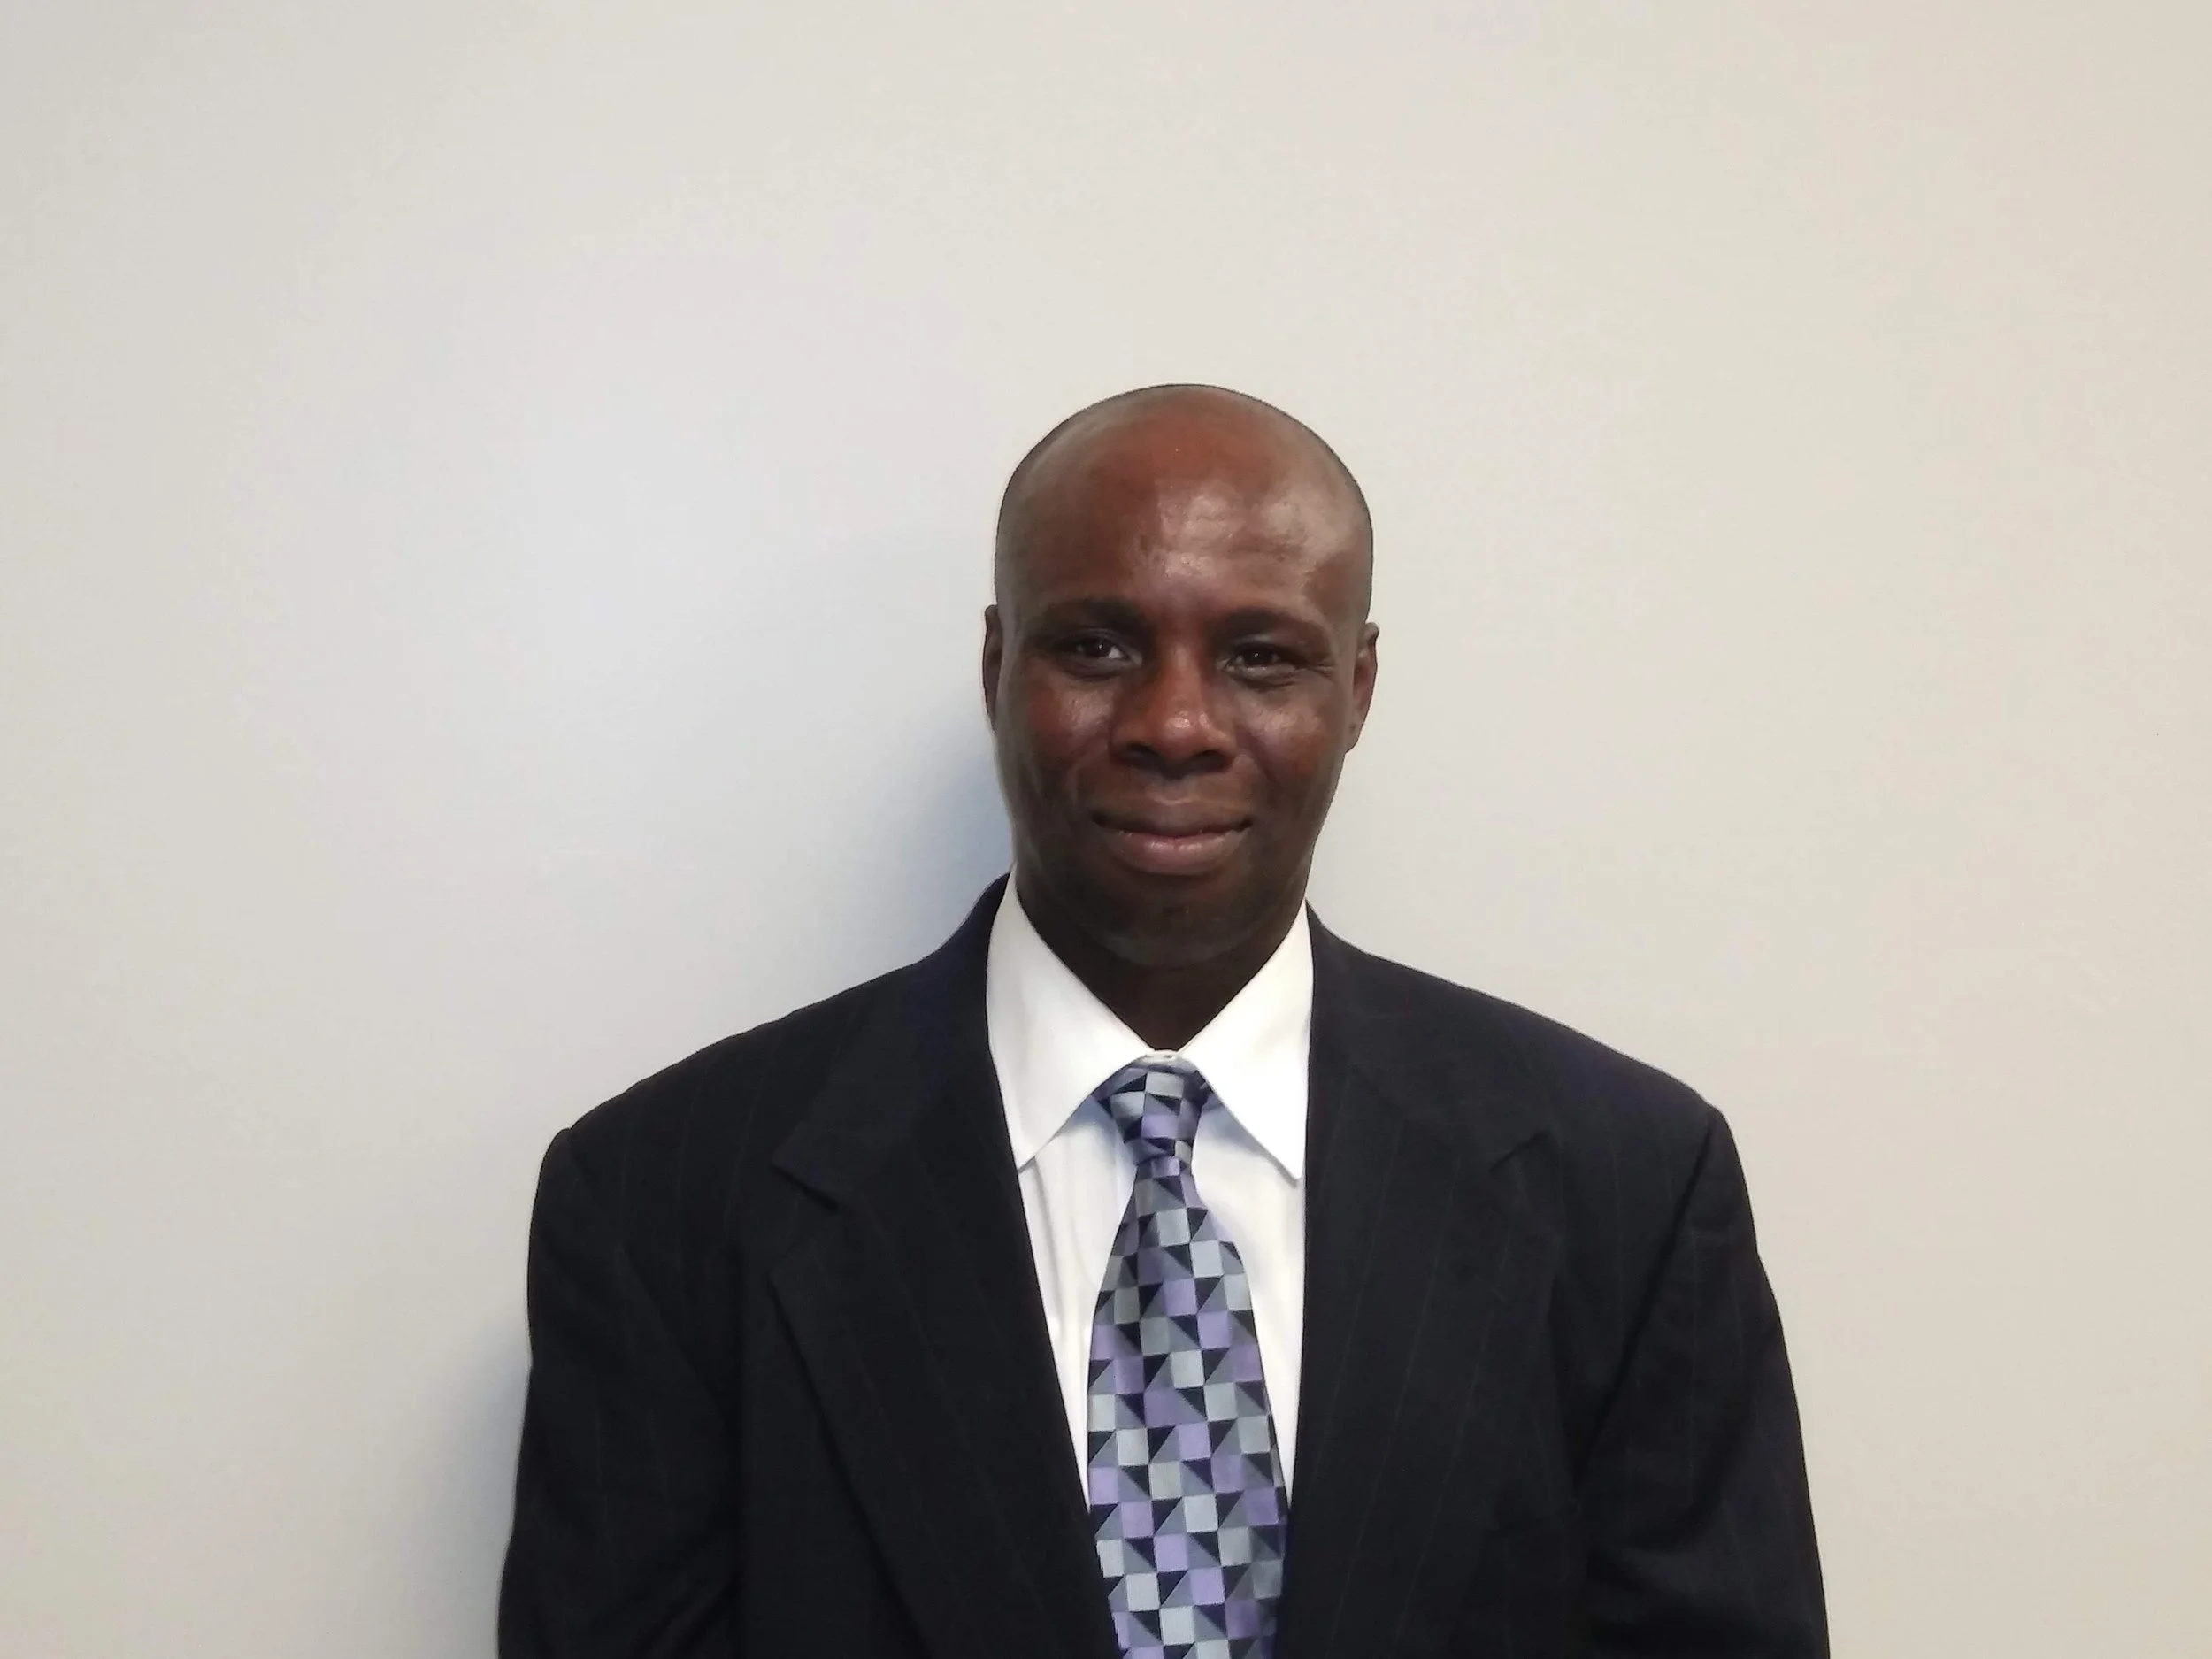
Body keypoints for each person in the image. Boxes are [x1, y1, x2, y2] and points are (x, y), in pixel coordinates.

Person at [496, 384, 1827, 1658]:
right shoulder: (664, 1202)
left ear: (1357, 689)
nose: (1176, 723)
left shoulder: (1627, 1188)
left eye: (1261, 656)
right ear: (995, 666)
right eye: (1097, 646)